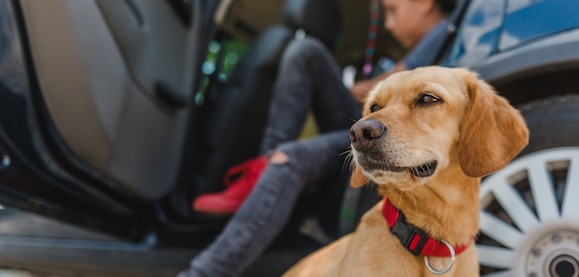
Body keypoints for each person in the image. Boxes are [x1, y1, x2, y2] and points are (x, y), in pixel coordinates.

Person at [179, 0, 456, 276]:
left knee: (291, 156)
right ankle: (263, 168)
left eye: (393, 11)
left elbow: (388, 88)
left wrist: (352, 90)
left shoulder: (444, 32)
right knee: (305, 51)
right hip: (374, 130)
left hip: (393, 141)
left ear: (423, 3)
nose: (388, 24)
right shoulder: (432, 46)